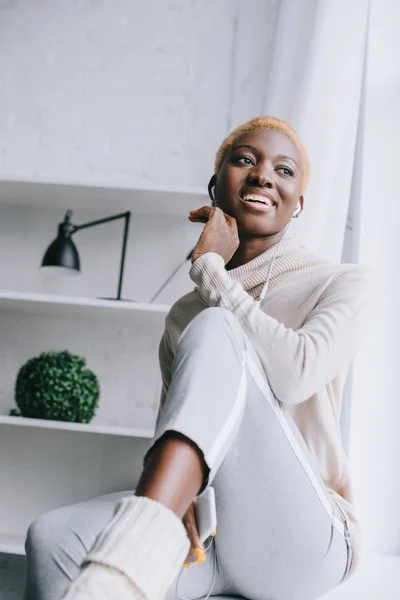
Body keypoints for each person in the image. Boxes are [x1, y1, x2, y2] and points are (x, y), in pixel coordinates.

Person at [24, 116, 373, 600]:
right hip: (209, 540)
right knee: (52, 537)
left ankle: (132, 554)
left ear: (298, 205)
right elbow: (180, 428)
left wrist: (211, 271)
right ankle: (126, 564)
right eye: (245, 160)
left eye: (284, 170)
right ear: (217, 184)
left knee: (216, 325)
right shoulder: (182, 314)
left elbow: (297, 374)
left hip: (303, 539)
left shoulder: (341, 282)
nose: (263, 175)